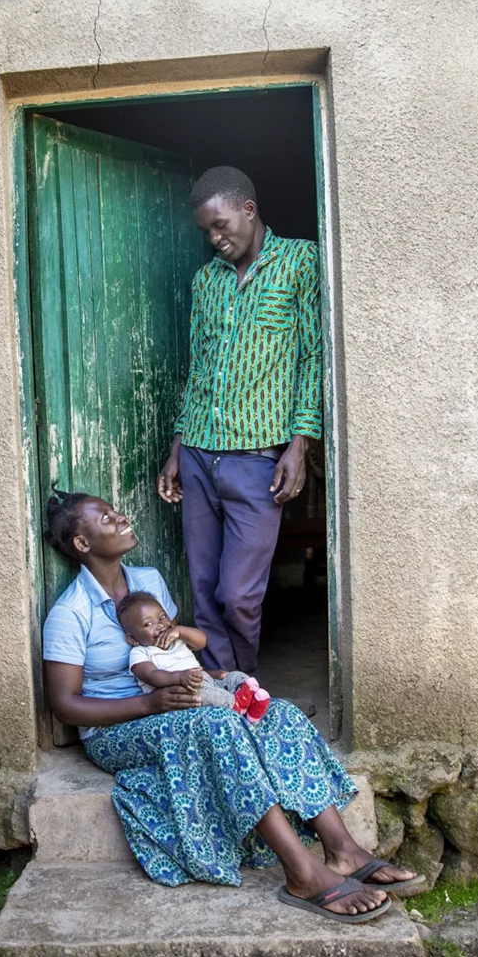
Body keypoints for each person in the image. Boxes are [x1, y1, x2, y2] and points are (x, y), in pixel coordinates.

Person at [42, 491, 421, 922]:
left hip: (179, 703)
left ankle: (343, 849)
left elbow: (174, 652)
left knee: (277, 713)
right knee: (219, 725)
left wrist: (211, 676)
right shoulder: (70, 613)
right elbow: (66, 707)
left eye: (115, 511)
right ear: (82, 544)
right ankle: (302, 872)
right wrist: (148, 704)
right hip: (118, 729)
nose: (120, 517)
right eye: (106, 518)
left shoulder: (149, 580)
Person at [157, 166, 322, 674]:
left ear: (249, 210)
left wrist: (300, 444)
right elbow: (198, 368)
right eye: (206, 230)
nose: (215, 238)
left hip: (257, 458)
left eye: (222, 224)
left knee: (238, 596)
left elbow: (314, 355)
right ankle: (228, 697)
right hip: (200, 453)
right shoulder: (205, 281)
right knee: (204, 591)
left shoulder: (301, 261)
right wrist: (177, 448)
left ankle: (246, 685)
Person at [116, 590, 270, 723]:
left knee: (234, 676)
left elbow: (202, 641)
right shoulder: (141, 652)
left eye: (162, 617)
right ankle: (236, 706)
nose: (160, 624)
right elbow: (150, 675)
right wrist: (179, 678)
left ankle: (251, 699)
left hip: (202, 681)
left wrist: (180, 631)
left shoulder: (176, 638)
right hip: (183, 693)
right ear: (133, 639)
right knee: (203, 694)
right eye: (148, 624)